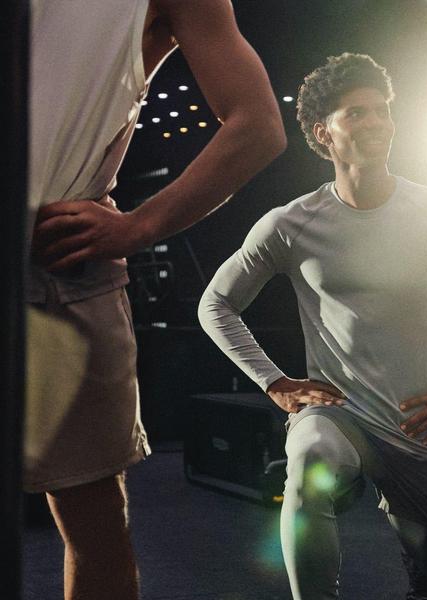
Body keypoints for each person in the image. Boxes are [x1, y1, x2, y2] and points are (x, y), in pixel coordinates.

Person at [198, 52, 427, 600]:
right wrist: (274, 382)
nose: (376, 123)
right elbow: (215, 304)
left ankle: (424, 579)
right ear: (323, 132)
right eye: (356, 113)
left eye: (382, 111)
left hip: (418, 427)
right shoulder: (291, 224)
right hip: (337, 416)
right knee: (309, 462)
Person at [25, 1, 287, 599]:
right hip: (62, 273)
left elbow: (258, 123)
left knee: (93, 523)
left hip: (58, 265)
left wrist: (140, 226)